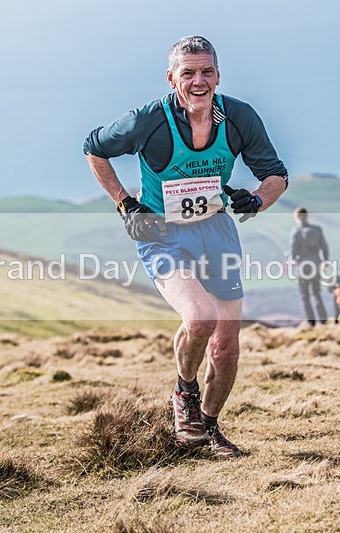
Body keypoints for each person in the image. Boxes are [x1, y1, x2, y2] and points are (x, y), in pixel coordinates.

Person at [83, 36, 288, 457]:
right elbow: (94, 148)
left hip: (216, 232)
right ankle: (185, 392)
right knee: (199, 317)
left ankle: (208, 430)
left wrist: (257, 200)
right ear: (171, 78)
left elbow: (276, 174)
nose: (199, 81)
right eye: (188, 73)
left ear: (218, 75)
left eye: (207, 72)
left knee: (226, 348)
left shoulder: (238, 117)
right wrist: (125, 204)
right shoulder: (148, 121)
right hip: (163, 235)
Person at [288, 207, 329, 326]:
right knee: (316, 292)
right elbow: (325, 247)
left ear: (297, 217)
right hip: (316, 263)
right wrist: (326, 261)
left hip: (303, 266)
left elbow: (293, 252)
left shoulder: (295, 232)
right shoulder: (317, 230)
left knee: (305, 295)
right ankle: (323, 320)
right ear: (307, 215)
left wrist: (292, 259)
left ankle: (311, 323)